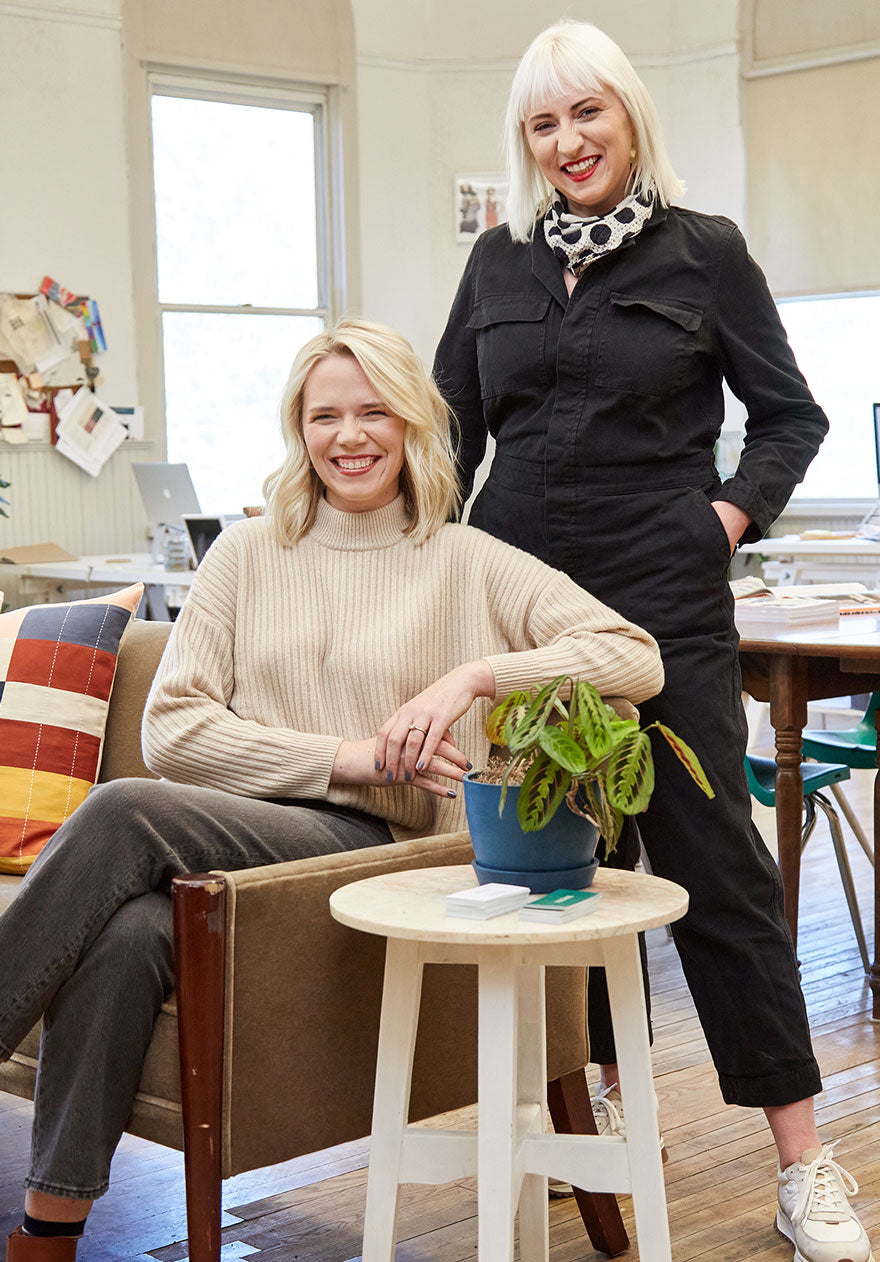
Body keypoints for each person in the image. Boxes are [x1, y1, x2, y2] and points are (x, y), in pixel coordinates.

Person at [0, 318, 664, 1261]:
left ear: (412, 425)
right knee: (130, 933)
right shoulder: (244, 555)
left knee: (118, 808)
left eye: (372, 412)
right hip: (261, 833)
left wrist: (474, 676)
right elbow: (175, 729)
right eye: (324, 416)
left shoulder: (466, 559)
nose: (348, 437)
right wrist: (348, 756)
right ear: (298, 430)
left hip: (383, 858)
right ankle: (47, 1236)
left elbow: (634, 657)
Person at [433, 20, 873, 1262]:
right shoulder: (497, 264)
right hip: (520, 598)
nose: (568, 141)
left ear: (629, 118)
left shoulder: (704, 253)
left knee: (714, 870)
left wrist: (720, 519)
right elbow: (448, 431)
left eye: (588, 115)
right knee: (546, 867)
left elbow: (790, 415)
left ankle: (803, 1162)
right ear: (524, 141)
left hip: (663, 601)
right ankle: (589, 1097)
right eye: (542, 123)